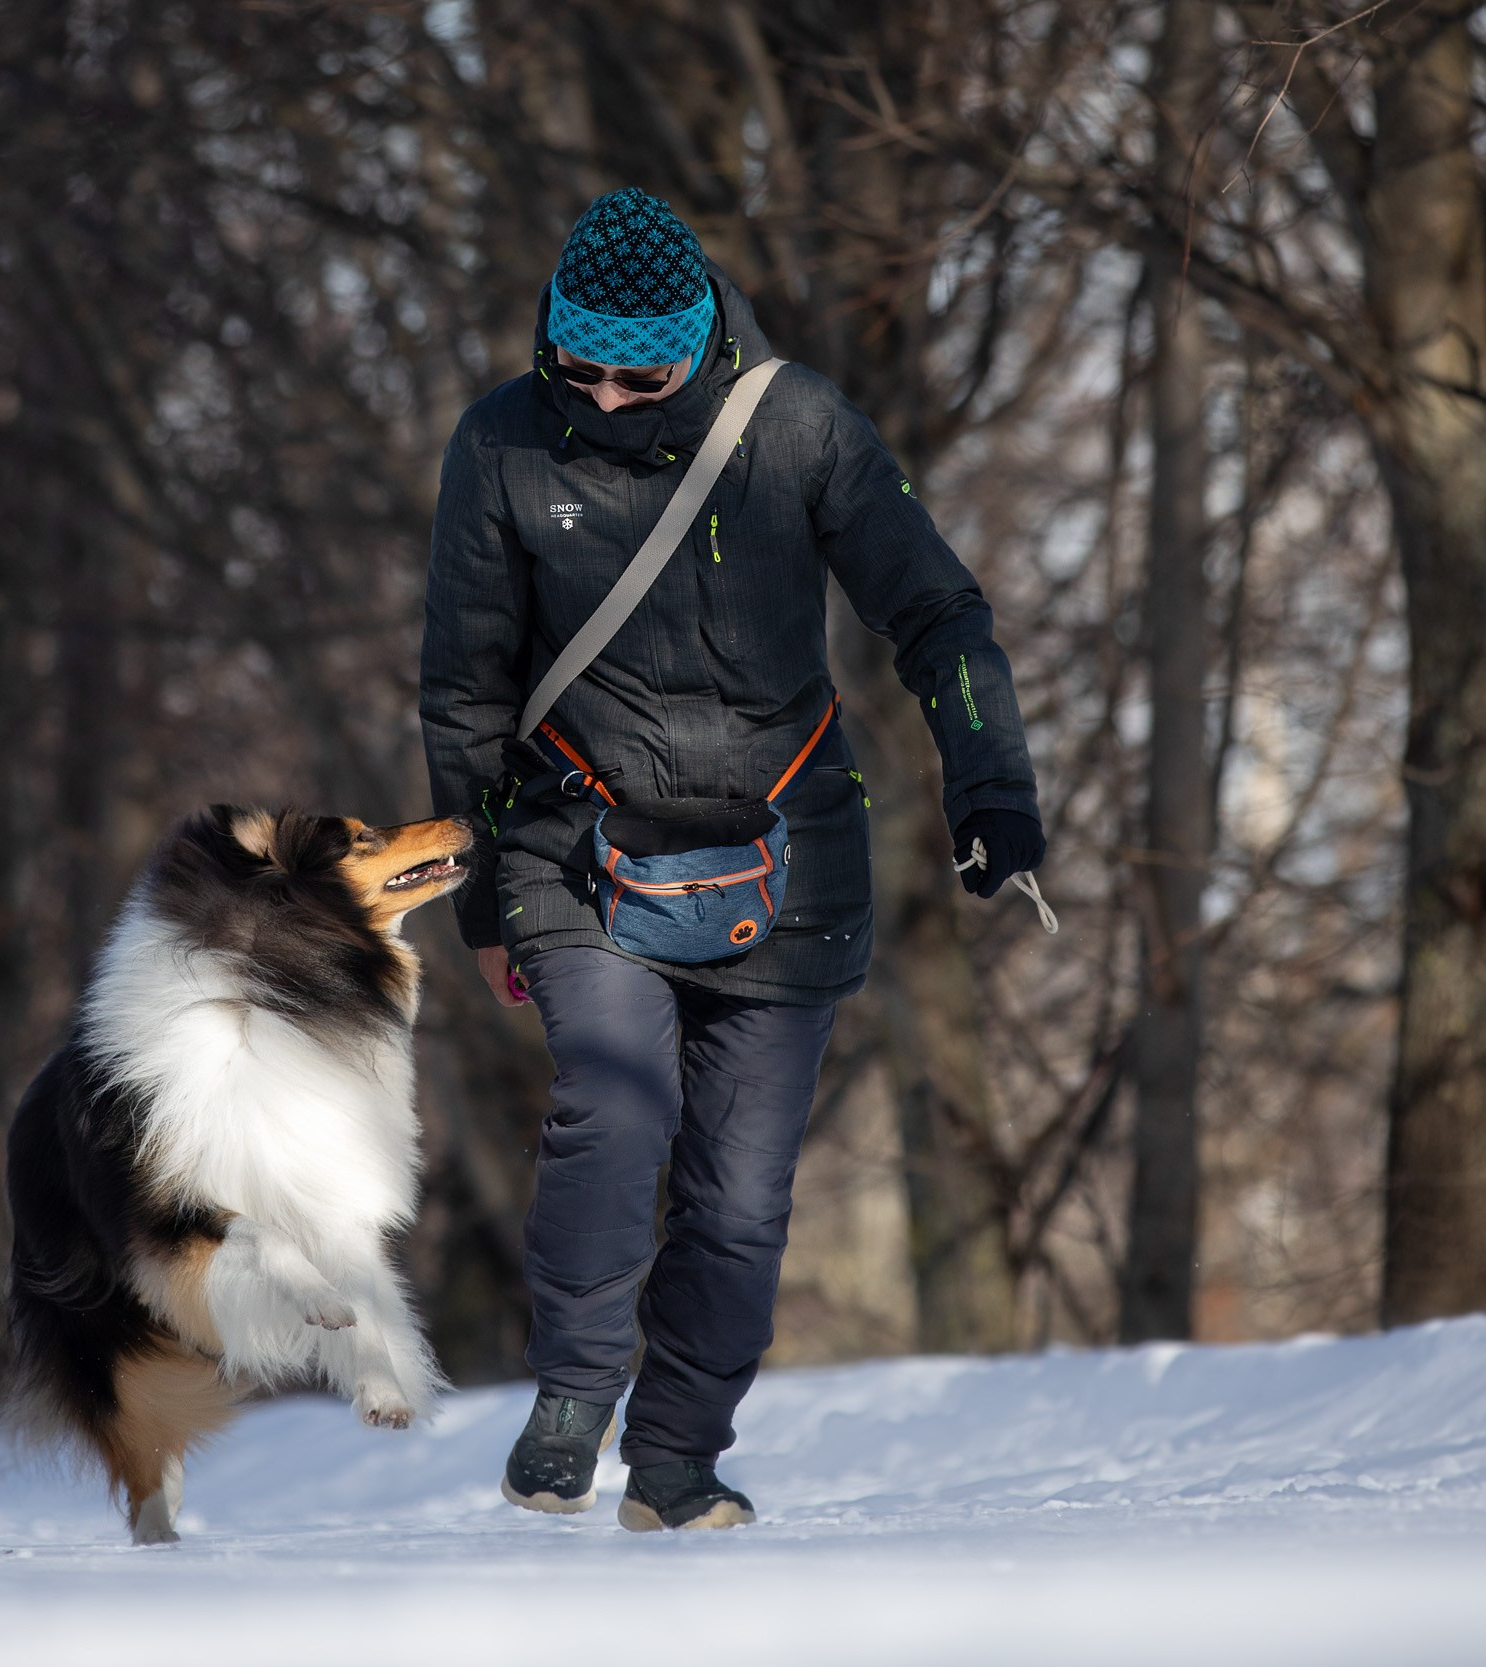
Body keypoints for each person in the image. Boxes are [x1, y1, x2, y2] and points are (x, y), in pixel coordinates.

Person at [419, 188, 1044, 1531]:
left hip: (787, 856)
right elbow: (463, 689)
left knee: (742, 1195)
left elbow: (937, 611)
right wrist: (482, 901)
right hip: (572, 844)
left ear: (698, 346)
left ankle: (677, 1465)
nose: (602, 399)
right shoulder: (502, 444)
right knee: (613, 1102)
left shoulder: (799, 429)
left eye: (637, 376)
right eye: (572, 369)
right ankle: (574, 1394)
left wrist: (989, 781)